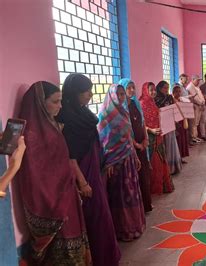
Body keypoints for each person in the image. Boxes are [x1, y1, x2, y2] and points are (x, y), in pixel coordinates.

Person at [17, 81, 91, 264]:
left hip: (67, 195)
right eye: (55, 102)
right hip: (53, 203)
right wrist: (59, 197)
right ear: (41, 103)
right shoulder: (32, 135)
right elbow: (35, 175)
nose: (60, 106)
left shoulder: (51, 126)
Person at [57, 74, 121, 265]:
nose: (90, 95)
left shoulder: (82, 114)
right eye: (85, 91)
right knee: (95, 216)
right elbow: (70, 155)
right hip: (84, 174)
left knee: (102, 214)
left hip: (95, 169)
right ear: (74, 93)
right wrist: (82, 182)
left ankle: (107, 256)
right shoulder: (68, 119)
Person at [98, 84, 146, 241]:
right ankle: (122, 230)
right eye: (118, 94)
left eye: (122, 94)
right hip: (115, 164)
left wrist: (136, 156)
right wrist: (109, 162)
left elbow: (127, 138)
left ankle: (134, 226)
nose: (120, 97)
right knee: (119, 196)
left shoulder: (124, 112)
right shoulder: (105, 115)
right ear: (111, 95)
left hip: (128, 160)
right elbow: (103, 141)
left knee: (131, 193)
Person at [119, 78, 153, 213]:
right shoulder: (121, 108)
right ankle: (137, 207)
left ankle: (146, 204)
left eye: (133, 87)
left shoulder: (135, 104)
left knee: (144, 175)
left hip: (142, 144)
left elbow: (142, 122)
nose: (132, 90)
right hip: (131, 147)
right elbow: (125, 131)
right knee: (134, 177)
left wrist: (145, 139)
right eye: (128, 88)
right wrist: (136, 145)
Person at [140, 82, 174, 195]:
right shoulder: (141, 104)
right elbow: (139, 124)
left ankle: (162, 186)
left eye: (154, 90)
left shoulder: (152, 102)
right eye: (151, 90)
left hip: (158, 135)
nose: (154, 92)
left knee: (160, 161)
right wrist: (151, 130)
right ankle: (153, 188)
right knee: (153, 162)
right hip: (149, 137)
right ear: (146, 91)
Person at [155, 81, 183, 175]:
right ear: (159, 88)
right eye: (164, 88)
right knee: (165, 145)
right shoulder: (156, 99)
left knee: (171, 143)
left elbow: (174, 108)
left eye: (167, 88)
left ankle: (173, 166)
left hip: (170, 123)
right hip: (162, 125)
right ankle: (166, 168)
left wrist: (177, 119)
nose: (166, 90)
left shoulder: (169, 97)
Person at [172, 84, 190, 162]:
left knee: (183, 139)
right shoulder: (172, 100)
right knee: (178, 139)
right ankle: (177, 157)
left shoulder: (181, 100)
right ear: (173, 92)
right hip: (176, 122)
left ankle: (181, 157)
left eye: (179, 92)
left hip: (183, 121)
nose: (178, 93)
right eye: (176, 92)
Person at [187, 75, 206, 143]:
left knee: (196, 123)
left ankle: (196, 136)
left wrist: (203, 102)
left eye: (199, 80)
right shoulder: (190, 87)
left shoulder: (196, 87)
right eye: (197, 80)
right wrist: (201, 103)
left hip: (199, 106)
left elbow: (200, 95)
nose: (198, 82)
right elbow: (195, 98)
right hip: (195, 106)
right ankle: (193, 137)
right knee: (193, 123)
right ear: (193, 79)